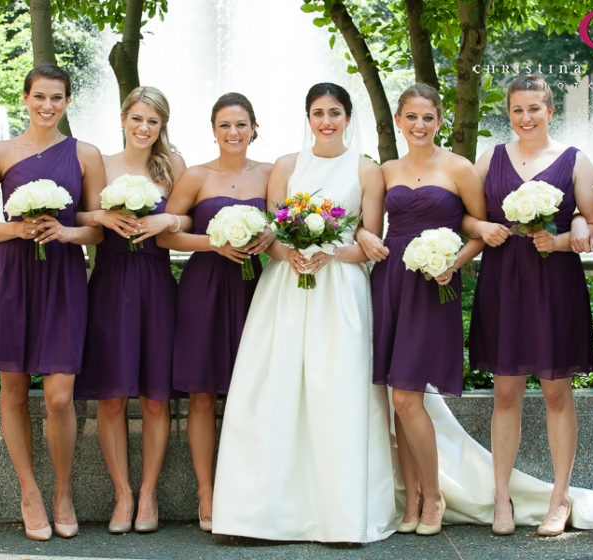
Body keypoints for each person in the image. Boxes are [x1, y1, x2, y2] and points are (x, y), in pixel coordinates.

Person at [211, 83, 398, 542]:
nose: (326, 121)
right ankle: (257, 515)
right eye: (318, 113)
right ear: (307, 118)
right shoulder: (286, 166)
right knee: (272, 393)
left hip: (342, 293)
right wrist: (289, 253)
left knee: (337, 391)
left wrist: (330, 252)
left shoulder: (367, 170)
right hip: (286, 289)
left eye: (335, 112)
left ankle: (342, 515)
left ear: (349, 118)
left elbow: (369, 243)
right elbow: (270, 234)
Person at [0, 63, 105, 541]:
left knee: (61, 396)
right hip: (12, 278)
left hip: (63, 278)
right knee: (15, 391)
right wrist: (19, 228)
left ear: (68, 102)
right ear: (25, 98)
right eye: (40, 97)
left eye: (57, 98)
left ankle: (63, 490)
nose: (48, 106)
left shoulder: (86, 154)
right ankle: (30, 492)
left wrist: (65, 231)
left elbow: (98, 229)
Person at [465, 75, 593, 536]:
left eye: (535, 109)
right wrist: (483, 230)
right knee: (505, 394)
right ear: (509, 113)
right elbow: (465, 213)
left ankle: (559, 498)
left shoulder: (575, 160)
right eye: (518, 110)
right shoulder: (492, 158)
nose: (526, 118)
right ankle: (500, 497)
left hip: (554, 284)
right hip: (504, 282)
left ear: (549, 111)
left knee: (555, 393)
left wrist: (568, 234)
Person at [367, 83, 486, 536]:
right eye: (411, 117)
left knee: (406, 395)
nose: (419, 126)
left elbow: (477, 229)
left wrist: (451, 264)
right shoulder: (386, 170)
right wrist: (362, 237)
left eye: (428, 118)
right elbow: (371, 228)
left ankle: (433, 495)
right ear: (398, 121)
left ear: (440, 122)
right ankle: (412, 499)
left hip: (434, 284)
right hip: (391, 281)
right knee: (400, 399)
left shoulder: (459, 168)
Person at [156, 92, 272, 533]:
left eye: (241, 124)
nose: (233, 133)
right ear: (213, 130)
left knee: (253, 390)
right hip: (204, 286)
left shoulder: (270, 173)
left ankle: (249, 490)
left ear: (255, 128)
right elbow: (166, 235)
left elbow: (283, 220)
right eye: (225, 125)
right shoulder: (195, 176)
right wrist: (212, 242)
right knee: (203, 394)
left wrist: (271, 234)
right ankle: (206, 492)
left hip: (254, 286)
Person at [74, 86, 186, 534]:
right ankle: (122, 493)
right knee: (112, 396)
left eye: (153, 122)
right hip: (111, 282)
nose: (144, 128)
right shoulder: (100, 163)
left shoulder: (173, 165)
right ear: (123, 118)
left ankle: (149, 494)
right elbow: (79, 215)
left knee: (157, 399)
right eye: (137, 119)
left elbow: (191, 218)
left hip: (157, 283)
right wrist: (99, 218)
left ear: (162, 126)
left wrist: (170, 220)